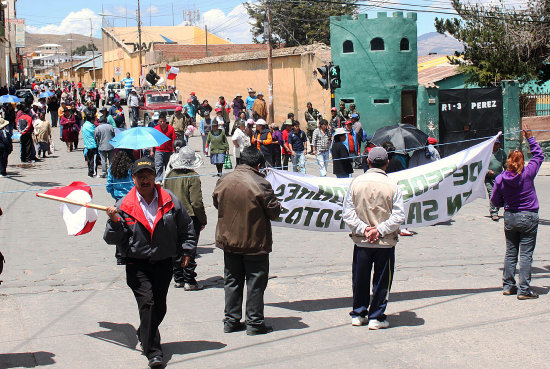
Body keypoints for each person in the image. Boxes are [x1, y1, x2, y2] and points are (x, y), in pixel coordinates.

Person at [104, 157, 197, 368]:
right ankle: (154, 351)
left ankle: (143, 331)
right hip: (137, 263)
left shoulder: (169, 199)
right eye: (140, 177)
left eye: (148, 176)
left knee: (160, 306)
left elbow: (186, 226)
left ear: (155, 177)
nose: (145, 180)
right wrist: (115, 223)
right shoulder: (124, 205)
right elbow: (111, 239)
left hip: (163, 261)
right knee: (147, 303)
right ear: (133, 179)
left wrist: (187, 250)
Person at [212, 146, 282, 335]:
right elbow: (274, 212)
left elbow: (216, 202)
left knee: (232, 280)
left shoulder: (224, 180)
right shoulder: (261, 183)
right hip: (254, 242)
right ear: (258, 165)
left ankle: (231, 320)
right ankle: (254, 322)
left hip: (229, 240)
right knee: (255, 281)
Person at [343, 147, 405, 329]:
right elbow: (399, 215)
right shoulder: (393, 185)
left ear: (368, 162)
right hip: (385, 242)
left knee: (360, 277)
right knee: (382, 280)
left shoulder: (356, 183)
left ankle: (359, 312)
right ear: (387, 164)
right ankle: (376, 316)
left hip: (362, 241)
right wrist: (379, 230)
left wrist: (365, 229)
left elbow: (347, 213)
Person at [491, 126, 543, 300]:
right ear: (522, 163)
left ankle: (508, 285)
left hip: (511, 217)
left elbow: (494, 200)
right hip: (529, 216)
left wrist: (501, 203)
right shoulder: (527, 174)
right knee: (526, 254)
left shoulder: (500, 178)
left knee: (511, 252)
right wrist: (530, 138)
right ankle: (524, 289)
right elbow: (539, 156)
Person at [164, 146, 207, 291]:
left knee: (176, 247)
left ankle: (178, 278)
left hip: (172, 215)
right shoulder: (193, 177)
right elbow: (196, 202)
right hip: (190, 216)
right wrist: (202, 219)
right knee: (189, 248)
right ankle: (189, 279)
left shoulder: (170, 175)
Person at [151, 112, 176, 183]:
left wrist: (174, 150)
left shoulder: (171, 129)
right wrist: (151, 150)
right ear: (158, 121)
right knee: (158, 166)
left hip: (169, 151)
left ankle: (168, 181)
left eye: (163, 121)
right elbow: (153, 140)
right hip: (159, 150)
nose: (162, 123)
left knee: (168, 166)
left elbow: (174, 140)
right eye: (160, 121)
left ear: (166, 121)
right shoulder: (156, 129)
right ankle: (159, 180)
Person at [485, 138, 506, 221]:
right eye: (494, 144)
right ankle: (494, 212)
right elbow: (481, 165)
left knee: (500, 195)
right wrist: (487, 171)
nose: (496, 146)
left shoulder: (502, 152)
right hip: (489, 178)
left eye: (497, 144)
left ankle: (500, 209)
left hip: (499, 178)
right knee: (492, 194)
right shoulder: (487, 153)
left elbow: (505, 164)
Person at [94, 113, 116, 178]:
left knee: (103, 160)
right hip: (110, 145)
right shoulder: (110, 127)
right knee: (111, 160)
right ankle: (111, 172)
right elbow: (113, 135)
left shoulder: (98, 128)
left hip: (102, 146)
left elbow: (95, 137)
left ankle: (104, 172)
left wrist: (98, 143)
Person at [82, 112, 99, 178]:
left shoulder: (85, 125)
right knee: (94, 160)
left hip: (87, 145)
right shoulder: (91, 126)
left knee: (89, 160)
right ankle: (94, 173)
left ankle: (90, 173)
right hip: (93, 145)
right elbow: (96, 132)